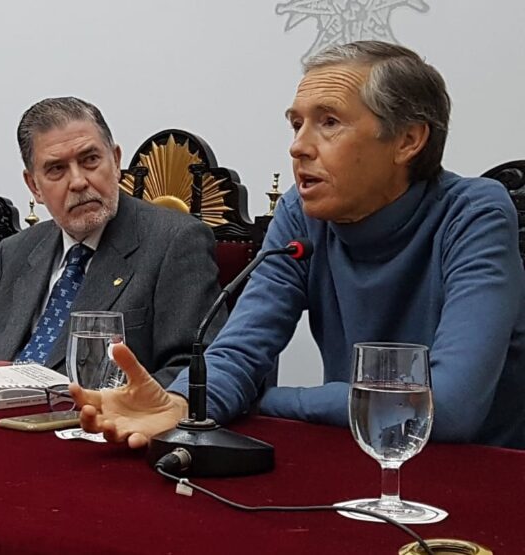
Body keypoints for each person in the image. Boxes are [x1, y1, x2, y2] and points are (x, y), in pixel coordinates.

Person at [74, 41, 525, 449]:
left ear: (408, 139)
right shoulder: (302, 215)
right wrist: (181, 403)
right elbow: (240, 352)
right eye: (296, 124)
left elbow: (445, 409)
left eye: (328, 122)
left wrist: (268, 400)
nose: (298, 147)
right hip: (362, 453)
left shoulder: (475, 212)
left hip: (479, 474)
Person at [0, 97, 222, 383]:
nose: (78, 181)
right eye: (57, 169)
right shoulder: (15, 251)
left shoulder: (175, 242)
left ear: (116, 161)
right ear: (34, 186)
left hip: (96, 420)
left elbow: (194, 368)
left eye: (90, 160)